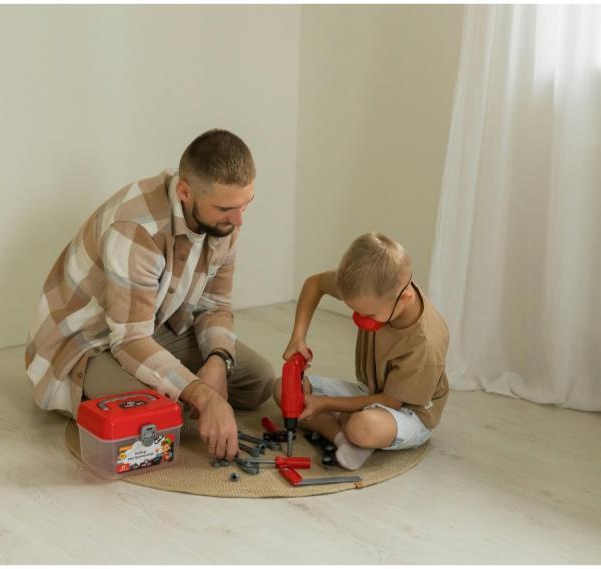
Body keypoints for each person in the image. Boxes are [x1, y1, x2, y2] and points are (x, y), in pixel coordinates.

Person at [26, 129, 274, 460]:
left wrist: (218, 359)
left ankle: (188, 385)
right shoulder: (137, 227)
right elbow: (128, 339)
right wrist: (201, 394)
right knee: (170, 412)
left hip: (156, 325)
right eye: (226, 208)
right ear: (185, 191)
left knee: (259, 380)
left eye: (246, 204)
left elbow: (214, 306)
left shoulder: (225, 222)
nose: (240, 219)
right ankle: (97, 392)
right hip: (89, 344)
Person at [275, 232, 449, 469]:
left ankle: (351, 430)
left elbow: (392, 401)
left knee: (363, 426)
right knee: (283, 390)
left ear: (405, 298)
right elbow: (314, 284)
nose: (360, 319)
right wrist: (298, 338)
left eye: (368, 315)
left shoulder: (425, 342)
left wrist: (327, 404)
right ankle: (343, 440)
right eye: (355, 311)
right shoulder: (370, 287)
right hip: (371, 390)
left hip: (410, 413)